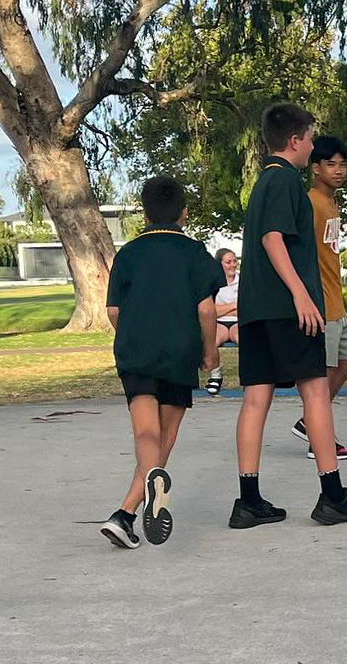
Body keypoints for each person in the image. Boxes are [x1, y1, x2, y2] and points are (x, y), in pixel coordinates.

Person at [232, 103, 347, 529]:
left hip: (256, 310)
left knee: (256, 400)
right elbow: (273, 239)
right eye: (310, 139)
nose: (312, 146)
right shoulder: (286, 182)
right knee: (315, 393)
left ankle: (249, 501)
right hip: (287, 310)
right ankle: (332, 495)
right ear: (295, 141)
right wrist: (301, 295)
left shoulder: (262, 184)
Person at [98, 176, 225, 549]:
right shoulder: (195, 253)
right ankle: (136, 502)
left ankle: (125, 515)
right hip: (177, 350)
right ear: (184, 213)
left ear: (144, 214)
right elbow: (206, 309)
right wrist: (211, 352)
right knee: (166, 435)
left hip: (135, 351)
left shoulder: (129, 253)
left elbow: (114, 310)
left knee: (144, 433)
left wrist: (133, 331)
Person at [290, 135, 347, 460]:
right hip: (320, 304)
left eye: (342, 164)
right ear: (315, 168)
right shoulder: (312, 203)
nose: (339, 170)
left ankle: (308, 423)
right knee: (321, 376)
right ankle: (320, 440)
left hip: (336, 301)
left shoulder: (332, 203)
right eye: (331, 164)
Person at [205, 248, 240, 395]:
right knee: (211, 339)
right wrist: (233, 305)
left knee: (246, 339)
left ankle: (248, 376)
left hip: (238, 321)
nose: (232, 265)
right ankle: (215, 375)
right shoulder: (212, 283)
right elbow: (210, 310)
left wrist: (222, 309)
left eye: (234, 261)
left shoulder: (243, 280)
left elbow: (246, 308)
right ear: (220, 264)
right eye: (228, 262)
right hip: (218, 322)